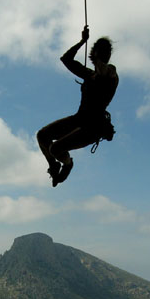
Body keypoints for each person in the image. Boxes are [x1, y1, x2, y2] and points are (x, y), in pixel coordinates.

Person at [37, 25, 118, 186]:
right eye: (103, 51)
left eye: (107, 52)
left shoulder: (111, 73)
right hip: (79, 119)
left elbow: (104, 70)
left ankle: (68, 164)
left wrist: (95, 57)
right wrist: (82, 41)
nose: (105, 55)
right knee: (42, 136)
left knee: (55, 149)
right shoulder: (89, 74)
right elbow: (66, 59)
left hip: (93, 127)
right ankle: (53, 165)